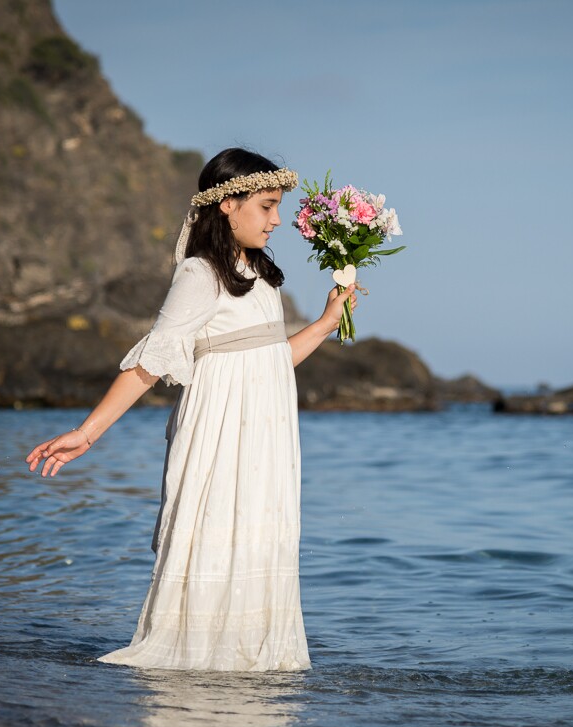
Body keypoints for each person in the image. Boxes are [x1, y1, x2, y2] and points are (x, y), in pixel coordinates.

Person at [25, 148, 356, 671]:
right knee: (219, 534)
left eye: (277, 207)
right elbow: (151, 361)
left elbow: (269, 360)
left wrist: (324, 324)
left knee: (257, 537)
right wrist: (87, 433)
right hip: (220, 434)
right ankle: (200, 662)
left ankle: (246, 662)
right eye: (267, 206)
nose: (276, 220)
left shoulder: (260, 274)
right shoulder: (200, 274)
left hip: (264, 437)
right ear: (227, 204)